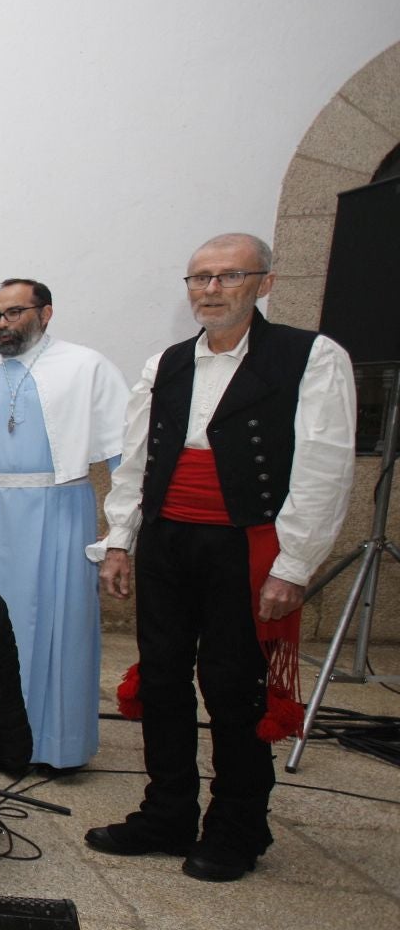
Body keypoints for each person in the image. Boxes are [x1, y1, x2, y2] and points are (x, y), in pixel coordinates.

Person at [88, 234, 355, 881]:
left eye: (227, 276)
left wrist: (293, 564)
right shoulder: (166, 364)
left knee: (233, 686)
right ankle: (168, 811)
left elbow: (324, 464)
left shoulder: (310, 356)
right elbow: (139, 459)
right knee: (161, 679)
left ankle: (238, 825)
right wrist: (121, 538)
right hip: (169, 539)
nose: (210, 289)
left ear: (264, 283)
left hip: (244, 542)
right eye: (198, 279)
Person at [0, 279, 130, 773]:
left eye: (14, 313)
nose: (2, 324)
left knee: (56, 622)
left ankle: (54, 743)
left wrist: (121, 530)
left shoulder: (85, 366)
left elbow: (126, 454)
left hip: (59, 510)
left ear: (46, 312)